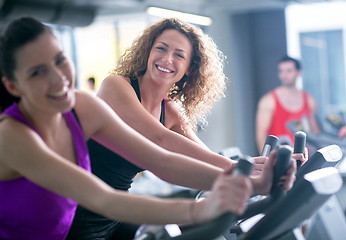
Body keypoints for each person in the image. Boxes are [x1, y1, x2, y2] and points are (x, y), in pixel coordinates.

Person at [0, 17, 296, 240]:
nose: (57, 78)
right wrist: (208, 202)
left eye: (60, 60)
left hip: (105, 221)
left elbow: (164, 162)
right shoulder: (13, 136)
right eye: (38, 72)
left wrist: (254, 176)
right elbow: (155, 146)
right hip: (86, 218)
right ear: (12, 86)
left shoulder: (83, 106)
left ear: (190, 67)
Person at [256, 55, 321, 153]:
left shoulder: (309, 100)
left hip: (304, 158)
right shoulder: (268, 101)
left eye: (289, 71)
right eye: (281, 71)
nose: (284, 75)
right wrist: (266, 161)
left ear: (299, 73)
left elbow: (315, 133)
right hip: (280, 158)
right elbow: (261, 136)